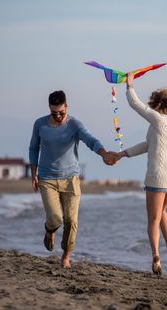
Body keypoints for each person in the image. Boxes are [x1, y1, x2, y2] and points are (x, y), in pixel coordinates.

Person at [29, 90, 114, 268]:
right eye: (54, 113)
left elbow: (91, 140)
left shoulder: (74, 124)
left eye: (62, 112)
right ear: (49, 109)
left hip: (70, 179)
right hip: (47, 178)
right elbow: (33, 148)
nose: (58, 116)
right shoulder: (40, 124)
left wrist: (104, 154)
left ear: (66, 107)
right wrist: (33, 173)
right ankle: (49, 229)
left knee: (71, 220)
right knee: (55, 218)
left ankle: (66, 256)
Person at [110, 72, 167, 276]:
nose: (150, 107)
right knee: (161, 214)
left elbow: (136, 105)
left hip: (158, 177)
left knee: (152, 218)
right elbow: (148, 145)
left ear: (159, 105)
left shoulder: (159, 120)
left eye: (153, 104)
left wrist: (130, 85)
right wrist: (123, 154)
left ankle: (156, 257)